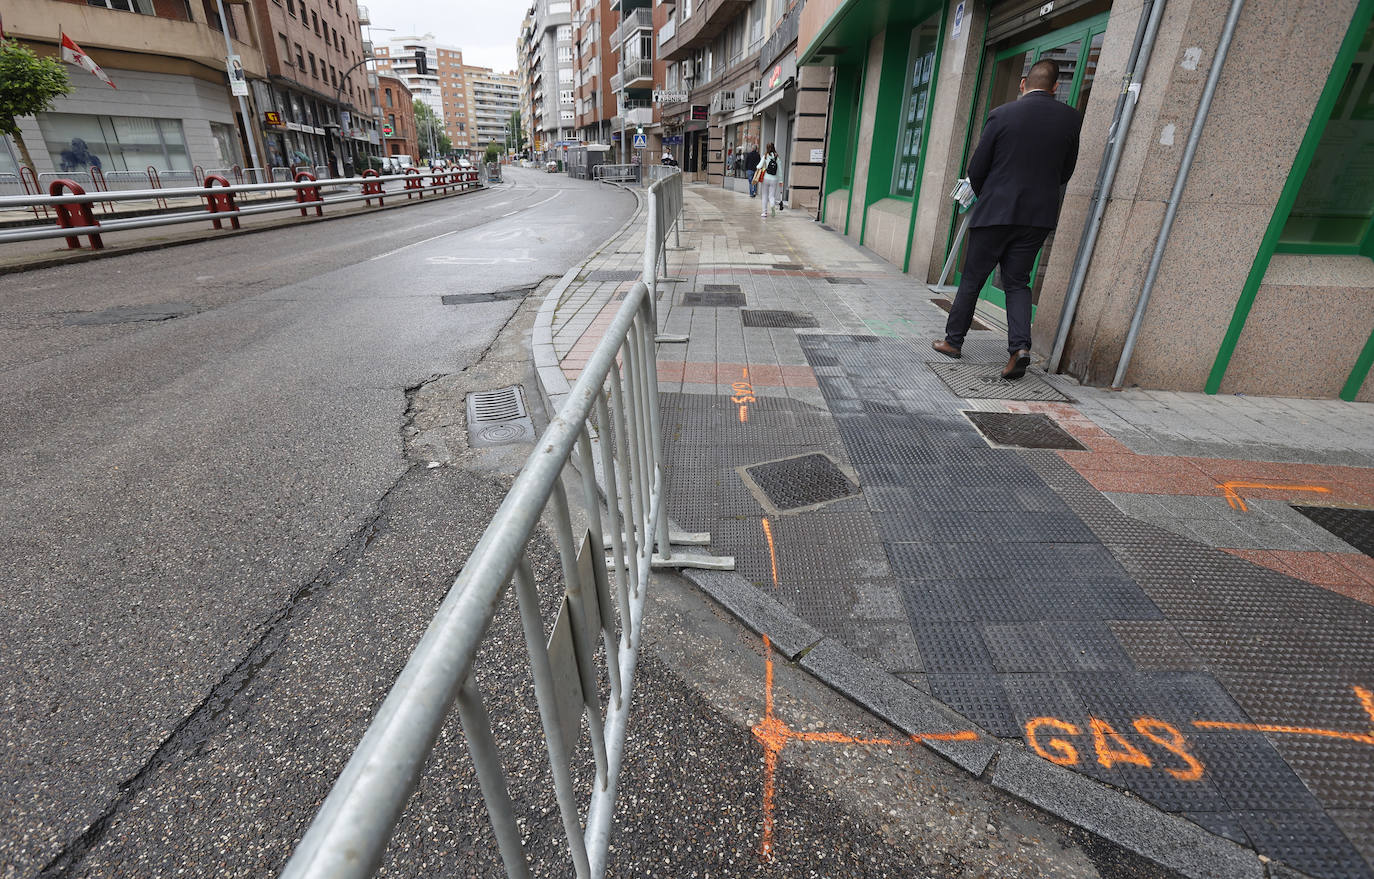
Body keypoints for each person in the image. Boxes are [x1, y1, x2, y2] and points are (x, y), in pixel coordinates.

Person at [933, 58, 1081, 381]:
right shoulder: (1070, 119)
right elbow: (1066, 172)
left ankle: (952, 341)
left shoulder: (1002, 114)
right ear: (1056, 87)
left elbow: (976, 169)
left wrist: (992, 193)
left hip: (995, 213)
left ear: (1023, 83)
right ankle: (1019, 348)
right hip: (1036, 217)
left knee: (973, 278)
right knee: (1017, 281)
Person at [758, 142, 781, 219]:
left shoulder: (765, 156)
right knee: (772, 196)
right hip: (774, 179)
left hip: (765, 178)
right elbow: (780, 170)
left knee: (764, 195)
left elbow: (759, 166)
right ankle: (773, 211)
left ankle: (764, 212)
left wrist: (758, 167)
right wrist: (781, 181)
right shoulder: (777, 157)